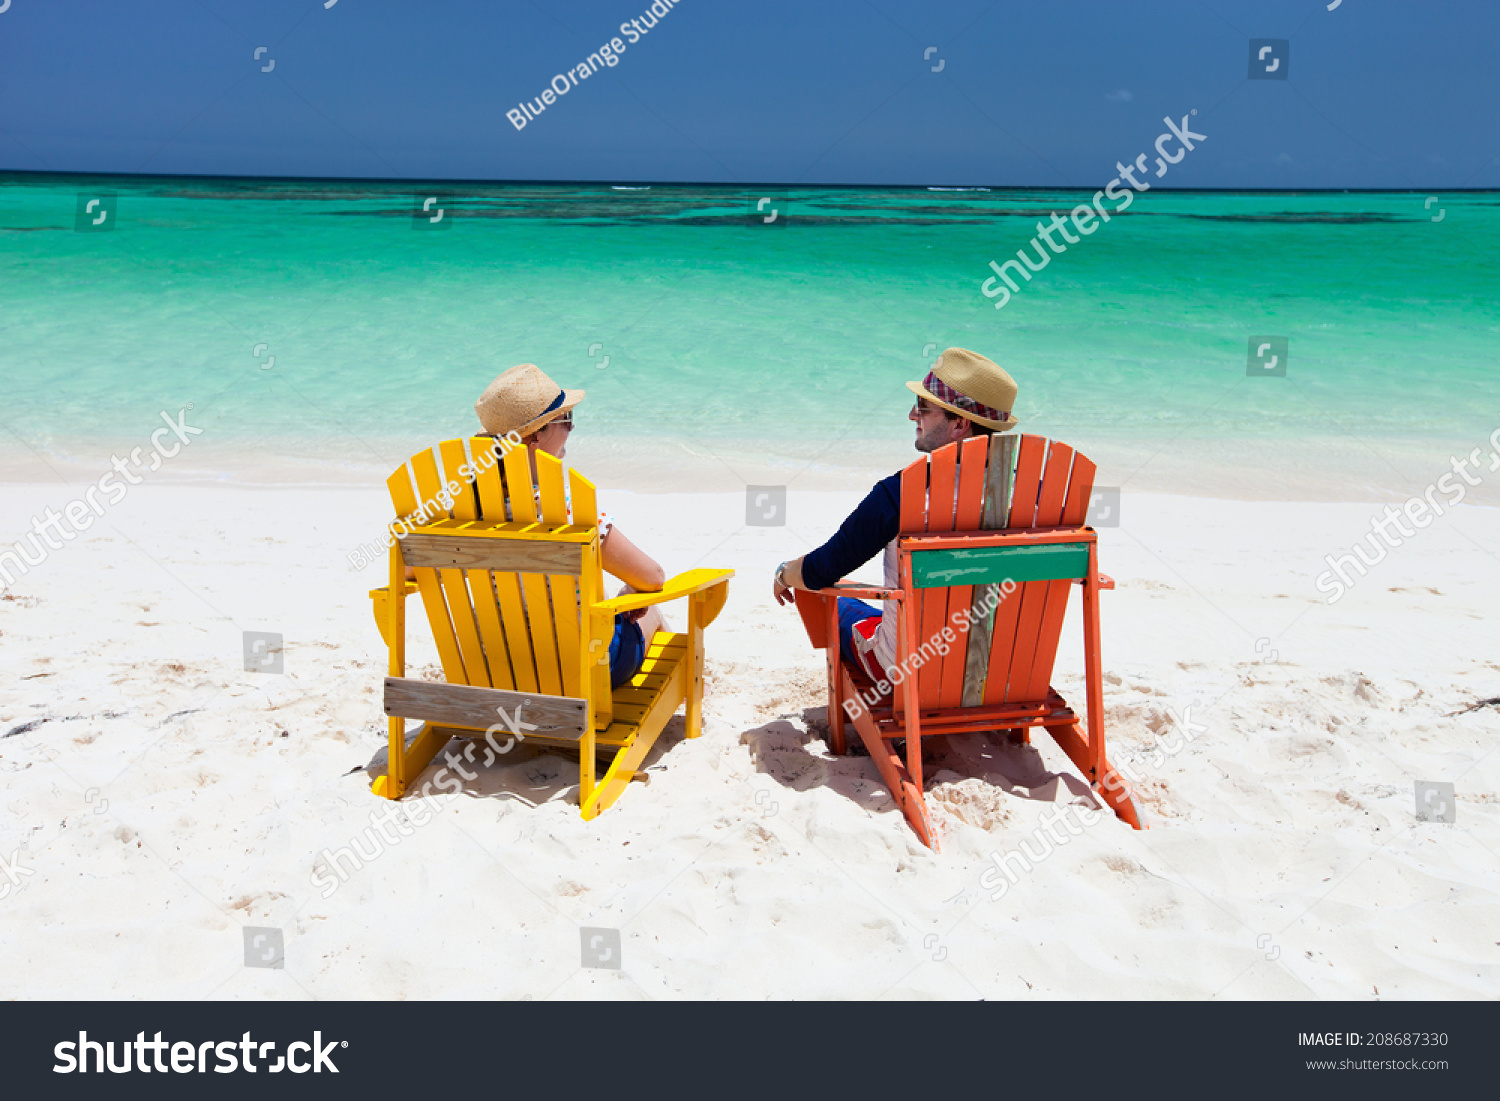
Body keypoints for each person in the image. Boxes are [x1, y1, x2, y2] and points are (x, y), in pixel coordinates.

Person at [771, 347, 1020, 686]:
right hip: (1005, 670)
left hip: (911, 673)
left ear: (959, 424)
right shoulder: (1032, 496)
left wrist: (784, 574)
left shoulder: (899, 496)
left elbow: (821, 570)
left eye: (923, 408)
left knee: (828, 598)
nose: (911, 416)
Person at [473, 363, 668, 688]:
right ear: (537, 435)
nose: (572, 429)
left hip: (498, 667)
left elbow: (411, 572)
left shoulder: (467, 509)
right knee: (653, 613)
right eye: (567, 420)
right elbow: (654, 577)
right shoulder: (570, 510)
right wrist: (631, 590)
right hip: (578, 672)